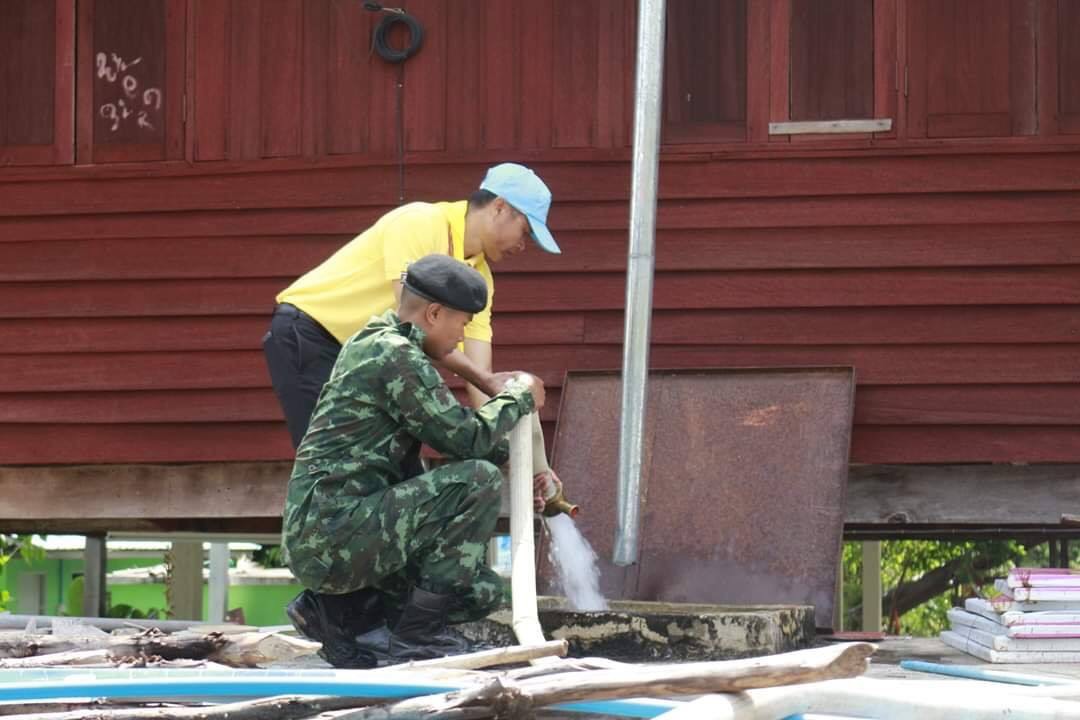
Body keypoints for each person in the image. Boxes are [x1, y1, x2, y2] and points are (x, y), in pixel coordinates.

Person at [282, 255, 549, 668]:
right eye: (461, 324)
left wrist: (520, 466)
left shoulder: (378, 342)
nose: (460, 338)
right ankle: (414, 639)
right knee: (477, 481)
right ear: (435, 313)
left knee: (480, 591)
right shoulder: (393, 356)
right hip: (332, 536)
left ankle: (344, 618)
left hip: (338, 533)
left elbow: (457, 438)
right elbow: (467, 439)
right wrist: (520, 396)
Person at [262, 162, 560, 449]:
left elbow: (480, 373)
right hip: (312, 332)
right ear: (499, 207)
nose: (523, 245)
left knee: (390, 463)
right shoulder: (421, 221)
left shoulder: (479, 278)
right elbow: (414, 323)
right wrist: (486, 382)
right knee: (332, 461)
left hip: (368, 359)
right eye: (525, 232)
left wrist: (514, 454)